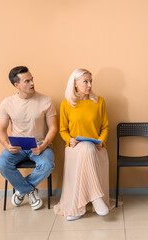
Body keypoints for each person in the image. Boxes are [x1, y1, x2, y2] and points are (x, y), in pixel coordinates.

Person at [0, 66, 57, 210]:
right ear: (17, 85)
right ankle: (29, 190)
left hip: (40, 144)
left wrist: (43, 145)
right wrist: (6, 145)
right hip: (17, 146)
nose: (32, 83)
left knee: (47, 165)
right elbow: (1, 129)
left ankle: (21, 189)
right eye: (27, 81)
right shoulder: (7, 103)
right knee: (1, 164)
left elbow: (53, 127)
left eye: (32, 79)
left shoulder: (46, 100)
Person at [53, 68, 110, 221]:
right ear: (75, 84)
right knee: (84, 147)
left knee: (88, 147)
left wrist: (101, 141)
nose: (89, 85)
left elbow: (105, 127)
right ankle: (96, 198)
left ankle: (77, 209)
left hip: (96, 148)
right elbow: (63, 130)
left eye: (91, 81)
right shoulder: (66, 104)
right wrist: (69, 140)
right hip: (74, 149)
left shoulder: (99, 101)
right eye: (85, 81)